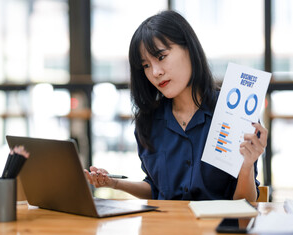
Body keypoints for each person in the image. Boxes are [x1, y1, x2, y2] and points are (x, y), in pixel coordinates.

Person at [84, 10, 267, 201]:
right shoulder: (148, 121)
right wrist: (115, 183)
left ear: (189, 49)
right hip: (166, 229)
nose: (155, 72)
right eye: (146, 65)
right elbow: (156, 188)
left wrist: (247, 165)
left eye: (161, 57)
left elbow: (245, 206)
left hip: (216, 228)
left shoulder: (234, 113)